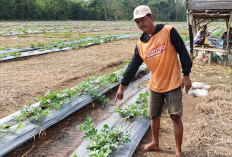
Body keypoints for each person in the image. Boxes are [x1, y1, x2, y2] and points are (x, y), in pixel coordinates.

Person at [114, 5, 192, 157]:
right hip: (155, 85)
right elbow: (133, 66)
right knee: (154, 116)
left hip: (173, 82)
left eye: (143, 19)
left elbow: (183, 51)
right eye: (137, 21)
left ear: (151, 17)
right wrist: (122, 86)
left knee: (175, 116)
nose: (140, 23)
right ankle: (155, 142)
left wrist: (186, 74)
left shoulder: (168, 31)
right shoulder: (141, 44)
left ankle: (178, 150)